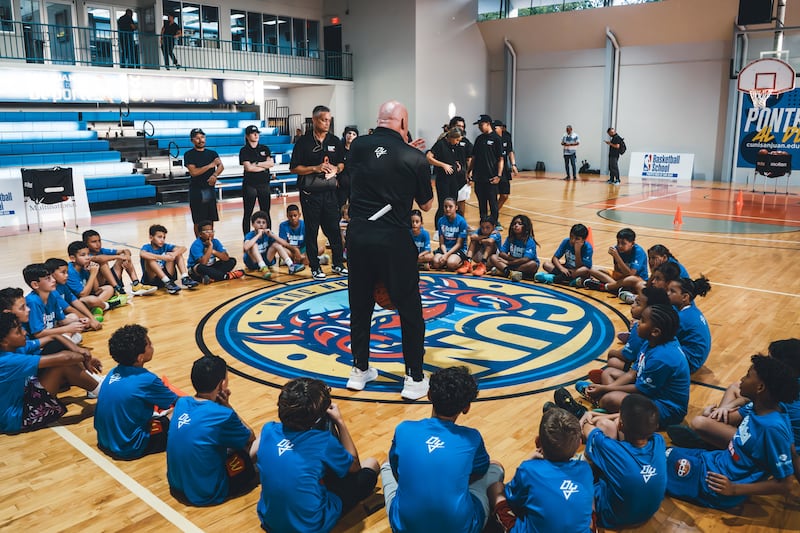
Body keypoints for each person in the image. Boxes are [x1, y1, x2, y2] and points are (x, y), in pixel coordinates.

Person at [344, 100, 434, 400]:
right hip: (394, 240)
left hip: (358, 237)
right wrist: (413, 155)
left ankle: (359, 370)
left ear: (379, 119)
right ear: (404, 124)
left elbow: (375, 162)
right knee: (409, 310)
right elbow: (426, 204)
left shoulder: (356, 147)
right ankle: (414, 378)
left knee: (359, 306)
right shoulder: (415, 157)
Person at [665, 355, 797, 510]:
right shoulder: (761, 407)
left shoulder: (772, 428)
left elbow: (786, 483)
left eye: (747, 376)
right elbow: (791, 450)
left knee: (653, 467)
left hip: (715, 483)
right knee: (662, 452)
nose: (741, 379)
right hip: (714, 460)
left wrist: (734, 489)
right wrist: (710, 414)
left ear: (760, 388)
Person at [382, 366, 504, 532]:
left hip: (404, 527)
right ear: (467, 407)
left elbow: (396, 470)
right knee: (496, 467)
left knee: (386, 463)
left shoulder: (403, 429)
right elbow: (480, 471)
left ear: (429, 395)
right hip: (460, 528)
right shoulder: (472, 438)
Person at [256, 378, 379, 532]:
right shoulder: (323, 442)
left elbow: (253, 453)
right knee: (371, 465)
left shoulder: (268, 430)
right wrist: (339, 422)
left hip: (269, 520)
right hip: (310, 527)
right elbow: (354, 466)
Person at [568, 304, 690, 427]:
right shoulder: (651, 342)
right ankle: (606, 407)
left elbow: (640, 390)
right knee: (608, 372)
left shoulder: (662, 357)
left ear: (655, 331)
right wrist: (606, 388)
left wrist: (605, 389)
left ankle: (600, 404)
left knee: (609, 398)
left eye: (642, 321)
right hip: (652, 394)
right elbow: (632, 373)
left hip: (666, 409)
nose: (637, 323)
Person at [167, 354, 258, 506]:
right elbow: (250, 437)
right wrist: (228, 407)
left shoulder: (182, 403)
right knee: (253, 448)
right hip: (206, 493)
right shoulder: (223, 414)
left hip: (176, 485)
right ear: (222, 384)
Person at [488, 407, 592, 533]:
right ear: (579, 444)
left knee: (496, 488)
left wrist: (527, 462)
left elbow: (513, 499)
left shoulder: (528, 469)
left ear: (538, 442)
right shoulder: (585, 469)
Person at [0, 313, 102, 434]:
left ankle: (97, 387)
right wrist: (84, 357)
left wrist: (78, 350)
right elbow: (65, 359)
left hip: (25, 392)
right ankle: (105, 393)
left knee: (59, 349)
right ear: (4, 342)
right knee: (63, 366)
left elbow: (54, 336)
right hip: (17, 418)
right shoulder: (6, 361)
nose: (24, 333)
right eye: (18, 332)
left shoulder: (13, 347)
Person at [580, 394, 667, 529]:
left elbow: (588, 429)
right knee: (607, 426)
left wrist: (587, 417)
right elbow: (634, 423)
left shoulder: (612, 450)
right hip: (646, 514)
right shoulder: (659, 441)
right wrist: (601, 416)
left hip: (612, 518)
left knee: (576, 472)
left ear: (621, 424)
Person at [94, 324, 178, 459]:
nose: (152, 346)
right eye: (149, 344)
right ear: (140, 358)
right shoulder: (147, 380)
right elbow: (179, 402)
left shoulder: (113, 372)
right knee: (183, 412)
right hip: (129, 446)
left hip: (105, 440)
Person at [289, 105, 347, 281]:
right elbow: (294, 168)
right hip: (310, 194)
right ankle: (315, 267)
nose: (327, 122)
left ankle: (338, 264)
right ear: (314, 120)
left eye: (329, 119)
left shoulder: (335, 141)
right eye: (323, 119)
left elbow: (342, 163)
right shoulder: (303, 142)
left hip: (330, 193)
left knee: (334, 231)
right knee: (312, 231)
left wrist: (336, 169)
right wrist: (315, 168)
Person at [83, 229, 157, 296]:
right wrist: (118, 257)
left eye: (99, 241)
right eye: (94, 242)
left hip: (108, 280)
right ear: (86, 244)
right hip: (97, 285)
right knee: (103, 263)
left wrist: (126, 257)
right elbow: (99, 258)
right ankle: (116, 288)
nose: (98, 244)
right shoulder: (85, 255)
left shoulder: (101, 250)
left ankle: (136, 284)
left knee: (123, 256)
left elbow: (126, 250)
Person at [22, 263, 85, 341]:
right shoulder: (33, 302)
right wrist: (67, 329)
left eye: (52, 277)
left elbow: (62, 320)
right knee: (71, 337)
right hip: (37, 340)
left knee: (74, 318)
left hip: (50, 330)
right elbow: (38, 334)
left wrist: (80, 321)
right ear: (35, 284)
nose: (54, 280)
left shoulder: (53, 294)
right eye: (48, 278)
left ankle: (66, 341)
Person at [667, 276, 712, 374]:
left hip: (690, 362)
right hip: (696, 358)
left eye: (672, 291)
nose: (668, 294)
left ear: (685, 297)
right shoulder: (691, 310)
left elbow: (663, 337)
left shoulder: (683, 317)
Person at [583, 227, 648, 294]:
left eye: (623, 243)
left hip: (637, 280)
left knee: (631, 279)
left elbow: (631, 274)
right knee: (594, 271)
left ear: (632, 243)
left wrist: (617, 257)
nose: (619, 246)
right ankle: (617, 288)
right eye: (618, 242)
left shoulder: (638, 252)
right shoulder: (616, 249)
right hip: (622, 279)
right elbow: (617, 271)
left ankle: (608, 287)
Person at [184, 128, 224, 237]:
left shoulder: (212, 153)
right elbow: (194, 172)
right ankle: (199, 243)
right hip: (197, 191)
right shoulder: (189, 154)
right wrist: (210, 165)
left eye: (202, 137)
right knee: (198, 220)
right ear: (192, 140)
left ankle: (210, 242)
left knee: (210, 219)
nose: (200, 140)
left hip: (209, 190)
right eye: (197, 138)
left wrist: (215, 175)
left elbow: (220, 166)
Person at [45, 258, 102, 331]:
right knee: (73, 318)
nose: (67, 275)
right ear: (51, 274)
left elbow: (75, 301)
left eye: (67, 272)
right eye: (63, 272)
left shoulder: (63, 285)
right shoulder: (52, 290)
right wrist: (89, 321)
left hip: (64, 316)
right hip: (55, 321)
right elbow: (69, 309)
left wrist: (91, 318)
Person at [244, 210, 305, 278]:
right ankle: (263, 267)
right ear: (253, 224)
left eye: (263, 223)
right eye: (258, 222)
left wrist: (272, 235)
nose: (261, 224)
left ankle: (291, 266)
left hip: (266, 260)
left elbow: (284, 243)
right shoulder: (250, 235)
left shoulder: (268, 234)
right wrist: (258, 235)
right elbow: (246, 247)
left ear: (267, 225)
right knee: (254, 245)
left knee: (276, 244)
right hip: (253, 262)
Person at [140, 224, 198, 295]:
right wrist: (162, 257)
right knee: (150, 259)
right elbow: (142, 254)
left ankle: (185, 277)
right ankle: (167, 282)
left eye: (164, 237)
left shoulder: (165, 246)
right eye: (159, 237)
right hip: (152, 279)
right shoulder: (147, 247)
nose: (162, 240)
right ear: (151, 237)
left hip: (167, 274)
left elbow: (183, 248)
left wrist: (174, 254)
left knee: (177, 253)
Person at [64, 241, 120, 312]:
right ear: (73, 258)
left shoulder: (84, 266)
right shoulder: (70, 272)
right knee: (92, 300)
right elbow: (83, 295)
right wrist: (93, 274)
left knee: (109, 288)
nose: (87, 257)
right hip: (75, 301)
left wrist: (93, 273)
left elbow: (96, 290)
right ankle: (106, 305)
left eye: (88, 254)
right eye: (83, 255)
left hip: (87, 296)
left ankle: (97, 307)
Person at [468, 114, 503, 225]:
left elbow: (500, 159)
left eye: (481, 124)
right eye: (478, 125)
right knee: (481, 203)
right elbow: (474, 157)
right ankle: (483, 224)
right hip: (479, 177)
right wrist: (469, 171)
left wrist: (499, 175)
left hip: (491, 177)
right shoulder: (479, 139)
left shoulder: (496, 139)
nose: (479, 127)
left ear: (488, 124)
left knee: (493, 203)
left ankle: (494, 223)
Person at [239, 125, 274, 236]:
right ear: (247, 136)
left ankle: (268, 236)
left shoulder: (264, 148)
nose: (256, 135)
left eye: (257, 133)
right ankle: (246, 237)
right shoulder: (244, 150)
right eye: (253, 133)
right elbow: (248, 168)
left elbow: (271, 163)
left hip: (264, 184)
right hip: (250, 185)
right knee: (248, 212)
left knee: (266, 212)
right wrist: (264, 166)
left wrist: (257, 164)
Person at [427, 127, 464, 223]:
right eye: (456, 140)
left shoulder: (454, 146)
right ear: (451, 137)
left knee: (453, 204)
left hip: (453, 179)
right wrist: (443, 165)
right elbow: (428, 158)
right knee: (444, 205)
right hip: (443, 180)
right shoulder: (440, 144)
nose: (457, 142)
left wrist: (456, 163)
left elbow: (450, 157)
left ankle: (451, 225)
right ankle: (438, 229)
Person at [488, 214, 539, 282]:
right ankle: (511, 273)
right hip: (512, 263)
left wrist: (509, 262)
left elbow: (526, 259)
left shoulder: (529, 241)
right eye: (514, 223)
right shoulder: (510, 238)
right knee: (493, 257)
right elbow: (502, 253)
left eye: (520, 224)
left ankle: (505, 272)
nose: (516, 225)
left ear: (526, 227)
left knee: (533, 264)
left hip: (522, 265)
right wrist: (509, 261)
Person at [432, 197, 468, 273]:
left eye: (450, 206)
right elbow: (441, 243)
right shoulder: (441, 220)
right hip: (445, 249)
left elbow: (459, 244)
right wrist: (445, 254)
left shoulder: (462, 222)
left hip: (458, 249)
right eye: (445, 207)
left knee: (451, 264)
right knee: (436, 262)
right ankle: (446, 261)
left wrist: (446, 255)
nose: (448, 209)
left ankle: (463, 262)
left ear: (456, 207)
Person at [448, 116, 474, 216]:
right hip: (449, 176)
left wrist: (469, 174)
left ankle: (461, 224)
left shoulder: (466, 142)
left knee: (461, 203)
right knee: (449, 203)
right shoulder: (445, 141)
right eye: (458, 126)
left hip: (462, 177)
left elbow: (470, 159)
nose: (461, 128)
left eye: (463, 126)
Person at [493, 119, 517, 224]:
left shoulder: (507, 136)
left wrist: (513, 164)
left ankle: (494, 213)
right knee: (493, 194)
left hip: (504, 170)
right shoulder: (491, 138)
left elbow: (510, 151)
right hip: (493, 169)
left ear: (501, 128)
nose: (493, 130)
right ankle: (494, 218)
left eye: (496, 128)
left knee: (505, 195)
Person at [338, 125, 358, 207]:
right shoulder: (339, 150)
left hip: (354, 185)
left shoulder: (358, 151)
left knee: (353, 207)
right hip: (341, 184)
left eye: (354, 134)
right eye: (349, 133)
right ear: (345, 134)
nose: (351, 136)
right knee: (340, 206)